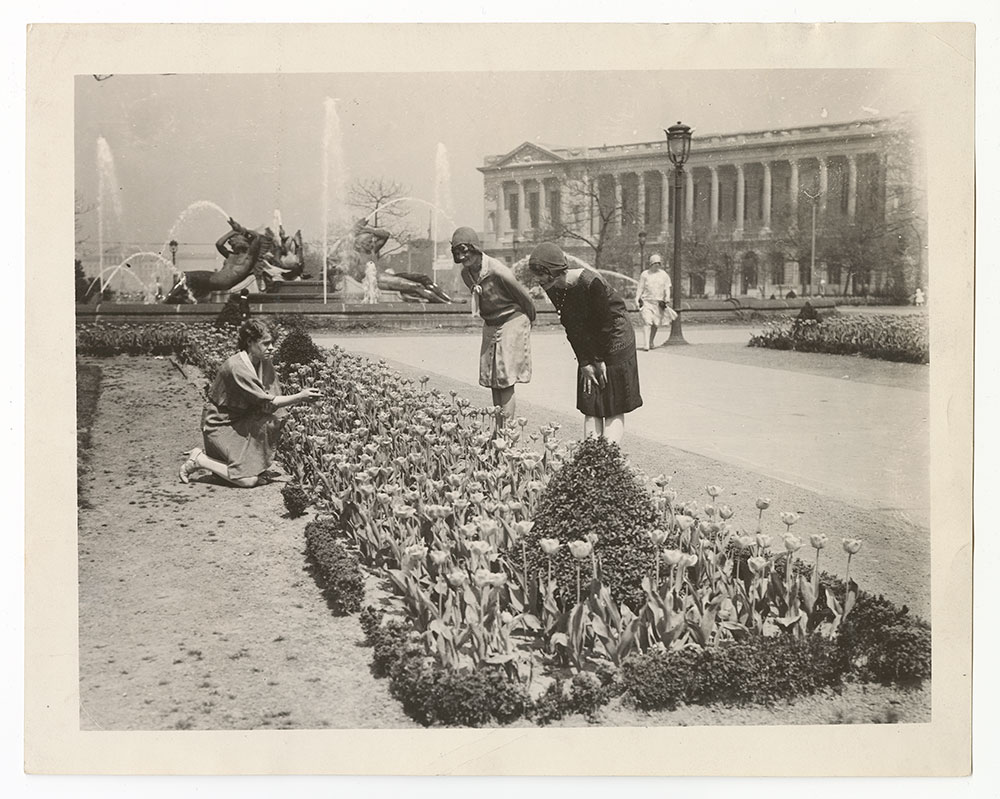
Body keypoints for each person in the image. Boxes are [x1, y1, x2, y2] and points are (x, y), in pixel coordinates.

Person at [179, 320, 322, 487]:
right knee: (248, 481)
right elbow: (268, 399)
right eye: (266, 343)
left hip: (242, 418)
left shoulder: (264, 361)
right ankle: (200, 459)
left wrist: (270, 406)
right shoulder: (236, 367)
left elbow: (271, 395)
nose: (271, 348)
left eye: (272, 343)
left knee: (274, 418)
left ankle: (244, 464)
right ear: (249, 342)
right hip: (220, 424)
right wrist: (301, 396)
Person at [527, 242, 642, 444]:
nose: (537, 280)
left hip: (616, 340)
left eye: (540, 274)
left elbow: (605, 324)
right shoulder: (554, 287)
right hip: (591, 342)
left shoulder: (591, 282)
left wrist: (598, 360)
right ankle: (590, 458)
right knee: (592, 405)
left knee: (613, 406)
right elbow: (571, 326)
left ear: (552, 271)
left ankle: (607, 460)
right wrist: (585, 362)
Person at [452, 226, 536, 421]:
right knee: (492, 378)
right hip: (491, 322)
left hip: (511, 319)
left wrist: (529, 322)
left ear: (475, 249)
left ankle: (506, 432)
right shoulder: (466, 274)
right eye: (458, 255)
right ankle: (499, 429)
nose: (464, 259)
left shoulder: (498, 271)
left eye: (466, 253)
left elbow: (524, 297)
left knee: (505, 378)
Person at [633, 252, 678, 350]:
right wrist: (637, 298)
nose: (657, 265)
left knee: (655, 323)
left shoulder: (664, 275)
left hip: (658, 303)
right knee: (647, 321)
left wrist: (667, 297)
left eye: (659, 263)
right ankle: (646, 344)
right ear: (651, 264)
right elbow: (640, 287)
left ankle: (651, 341)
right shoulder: (645, 274)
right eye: (655, 263)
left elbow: (667, 287)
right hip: (647, 301)